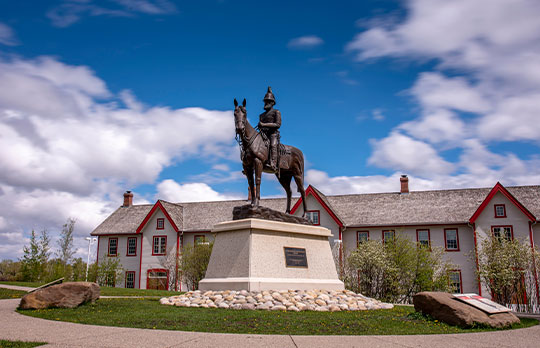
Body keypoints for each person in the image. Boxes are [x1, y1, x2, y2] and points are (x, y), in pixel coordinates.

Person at [258, 86, 281, 171]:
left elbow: (278, 124)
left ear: (272, 103)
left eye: (268, 101)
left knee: (272, 145)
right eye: (265, 101)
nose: (266, 103)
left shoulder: (276, 112)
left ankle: (273, 164)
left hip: (272, 134)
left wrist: (264, 124)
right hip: (263, 135)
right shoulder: (261, 115)